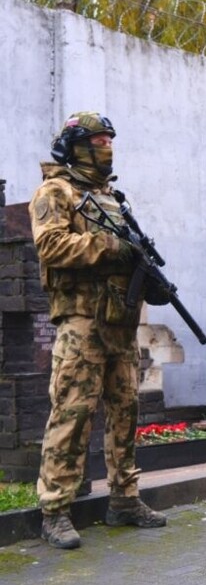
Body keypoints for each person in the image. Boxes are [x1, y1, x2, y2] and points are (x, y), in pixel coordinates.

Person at [29, 111, 167, 550]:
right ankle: (55, 511)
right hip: (81, 325)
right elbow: (50, 245)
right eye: (99, 141)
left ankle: (124, 500)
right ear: (76, 146)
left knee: (126, 413)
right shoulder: (56, 191)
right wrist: (109, 247)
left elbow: (133, 252)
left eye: (110, 140)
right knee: (72, 416)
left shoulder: (113, 198)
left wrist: (151, 278)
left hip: (120, 324)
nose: (107, 147)